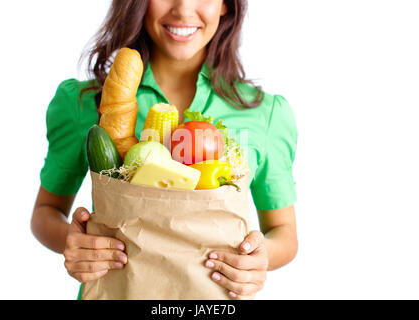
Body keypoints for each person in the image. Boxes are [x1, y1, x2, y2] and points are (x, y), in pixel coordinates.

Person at [31, 0, 298, 300]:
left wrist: (259, 259)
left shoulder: (265, 114)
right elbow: (45, 212)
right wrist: (72, 239)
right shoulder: (83, 103)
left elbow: (284, 233)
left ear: (226, 5)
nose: (183, 9)